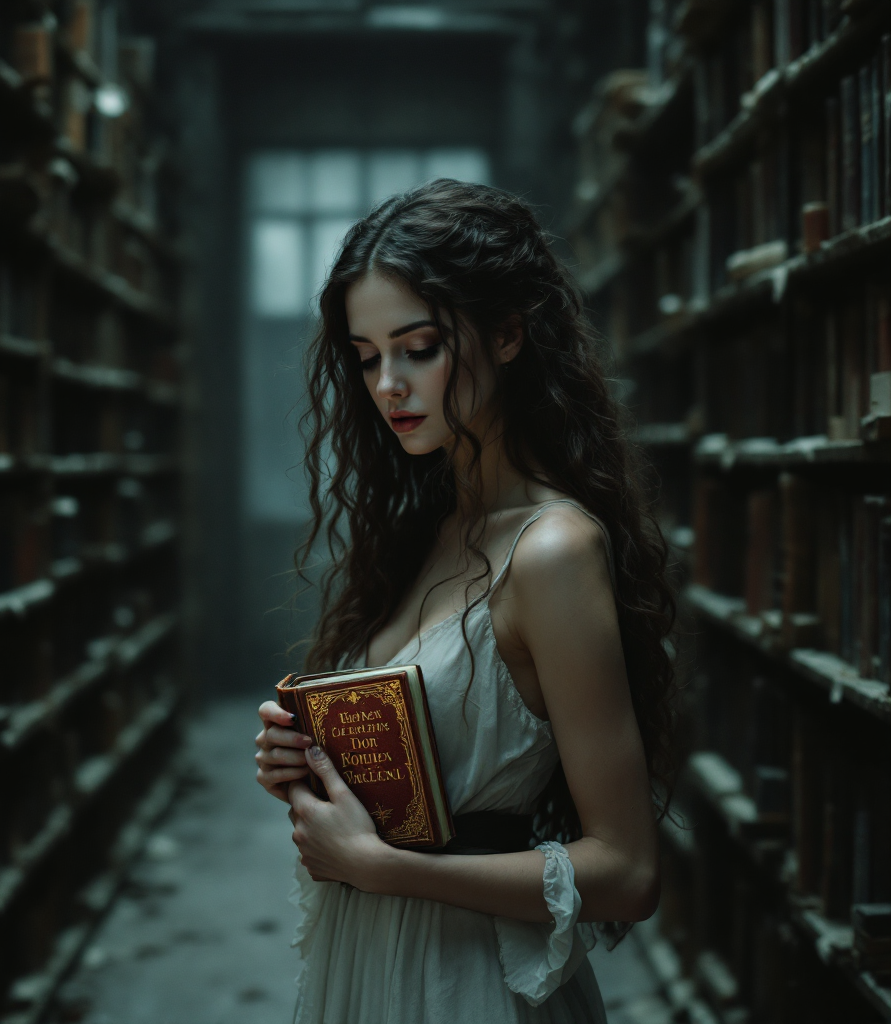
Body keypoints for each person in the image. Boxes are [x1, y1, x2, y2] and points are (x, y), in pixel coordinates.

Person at [254, 179, 675, 1024]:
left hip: (466, 981)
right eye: (368, 357)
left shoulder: (552, 550)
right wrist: (315, 770)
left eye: (419, 348)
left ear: (508, 333)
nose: (388, 386)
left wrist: (385, 868)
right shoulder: (434, 527)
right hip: (368, 959)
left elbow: (628, 874)